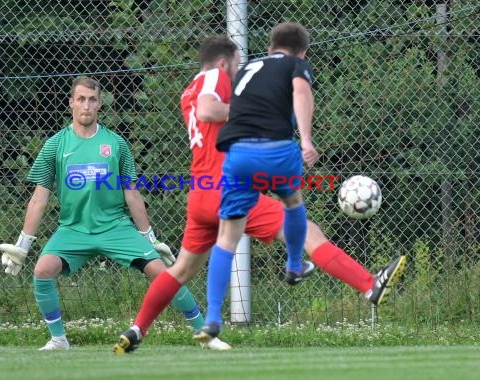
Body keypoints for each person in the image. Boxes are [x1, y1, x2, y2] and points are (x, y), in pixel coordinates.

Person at [113, 29, 406, 353]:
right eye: (237, 64)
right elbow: (210, 110)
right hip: (227, 187)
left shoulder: (188, 90)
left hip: (202, 192)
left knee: (182, 269)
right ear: (224, 62)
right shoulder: (215, 79)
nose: (239, 71)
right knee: (308, 231)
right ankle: (369, 285)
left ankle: (137, 328)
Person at [0, 76, 230, 351]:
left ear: (99, 104)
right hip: (73, 228)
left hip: (116, 226)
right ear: (70, 102)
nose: (86, 105)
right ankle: (59, 339)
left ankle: (205, 334)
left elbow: (132, 194)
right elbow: (39, 199)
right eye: (80, 99)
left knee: (163, 273)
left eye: (92, 99)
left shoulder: (116, 144)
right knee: (43, 270)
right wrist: (23, 245)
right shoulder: (55, 145)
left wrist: (150, 239)